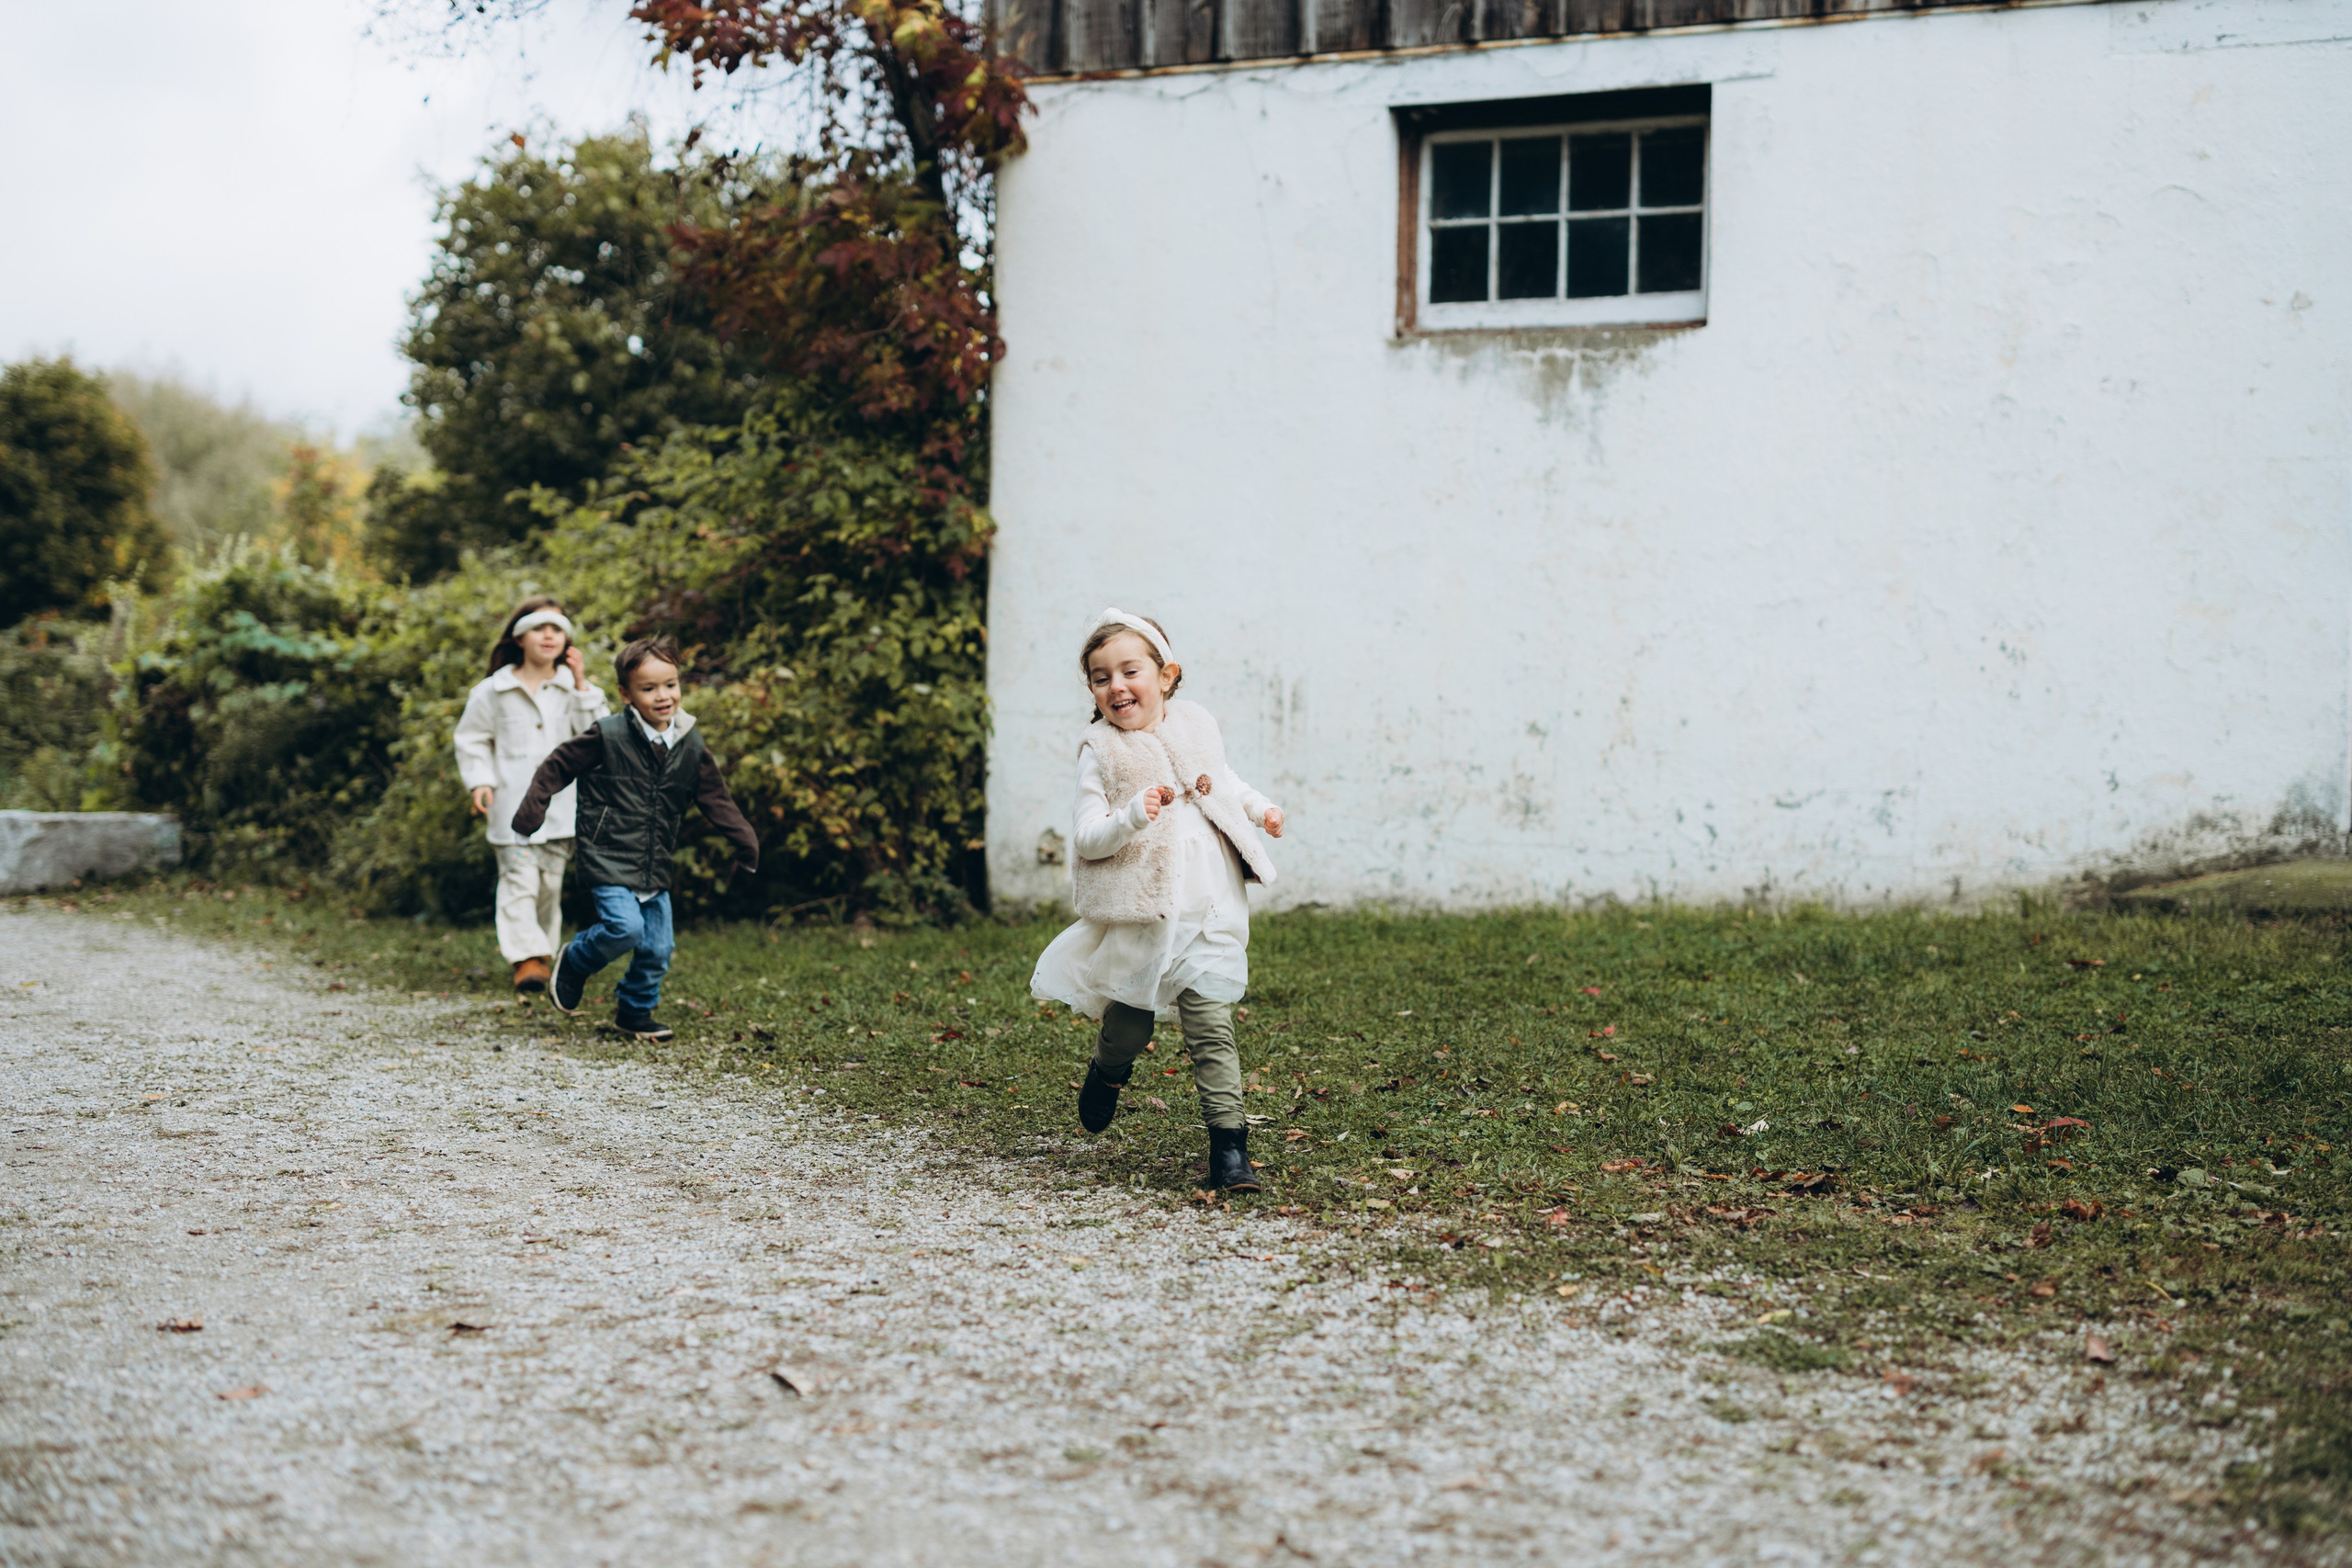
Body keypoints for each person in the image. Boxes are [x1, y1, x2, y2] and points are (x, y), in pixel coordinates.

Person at [1030, 609, 1286, 1191]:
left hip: (1209, 911)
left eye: (1130, 671)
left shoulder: (1197, 725)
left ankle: (1229, 1151)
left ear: (1166, 675)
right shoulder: (1102, 749)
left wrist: (1259, 808)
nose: (1117, 686)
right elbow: (1088, 837)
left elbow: (1226, 780)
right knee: (1130, 1028)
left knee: (1211, 1026)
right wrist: (1129, 817)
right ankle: (1106, 1071)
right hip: (1145, 915)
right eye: (1101, 677)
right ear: (1093, 690)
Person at [510, 634, 759, 1043]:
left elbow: (715, 797)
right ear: (626, 694)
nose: (663, 696)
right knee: (625, 929)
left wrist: (744, 840)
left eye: (670, 685)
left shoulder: (689, 741)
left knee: (658, 947)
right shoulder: (608, 734)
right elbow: (558, 765)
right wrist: (531, 810)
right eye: (649, 688)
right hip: (607, 853)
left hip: (654, 860)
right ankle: (575, 959)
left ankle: (634, 1011)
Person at [452, 597, 610, 996]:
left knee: (548, 886)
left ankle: (542, 954)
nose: (549, 635)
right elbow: (472, 739)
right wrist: (480, 780)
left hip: (561, 808)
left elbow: (601, 736)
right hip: (510, 805)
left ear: (567, 639)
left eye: (557, 628)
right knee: (519, 880)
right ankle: (526, 958)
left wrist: (580, 684)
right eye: (540, 627)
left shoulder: (578, 689)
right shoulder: (493, 690)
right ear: (519, 637)